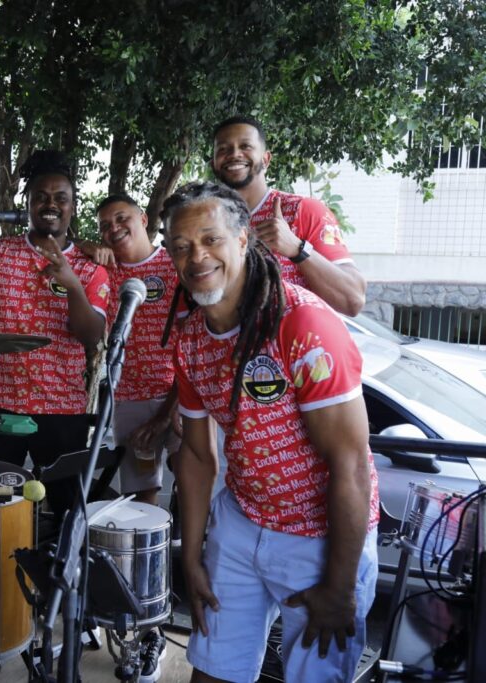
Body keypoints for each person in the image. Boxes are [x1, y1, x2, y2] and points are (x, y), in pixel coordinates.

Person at [163, 181, 379, 683]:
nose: (197, 257)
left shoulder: (301, 323)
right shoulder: (191, 338)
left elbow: (350, 463)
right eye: (181, 246)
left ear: (243, 240)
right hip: (241, 520)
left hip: (319, 536)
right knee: (211, 672)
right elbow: (196, 456)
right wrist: (191, 556)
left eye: (211, 239)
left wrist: (339, 586)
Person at [0, 150, 109, 524]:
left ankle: (60, 563)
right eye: (41, 197)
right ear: (28, 203)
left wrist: (72, 285)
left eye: (60, 198)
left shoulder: (90, 267)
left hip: (63, 407)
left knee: (68, 510)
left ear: (72, 206)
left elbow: (91, 336)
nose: (51, 205)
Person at [96, 193, 183, 681]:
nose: (114, 228)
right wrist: (90, 248)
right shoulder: (106, 270)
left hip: (185, 400)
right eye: (105, 224)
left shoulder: (175, 264)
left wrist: (170, 412)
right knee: (142, 519)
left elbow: (195, 342)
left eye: (122, 218)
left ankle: (203, 618)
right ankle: (148, 631)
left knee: (199, 511)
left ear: (144, 219)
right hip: (130, 402)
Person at [211, 115, 366, 316]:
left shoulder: (303, 210)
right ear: (214, 163)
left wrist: (297, 249)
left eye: (245, 146)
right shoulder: (207, 221)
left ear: (266, 159)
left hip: (295, 336)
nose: (234, 154)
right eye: (223, 149)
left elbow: (353, 300)